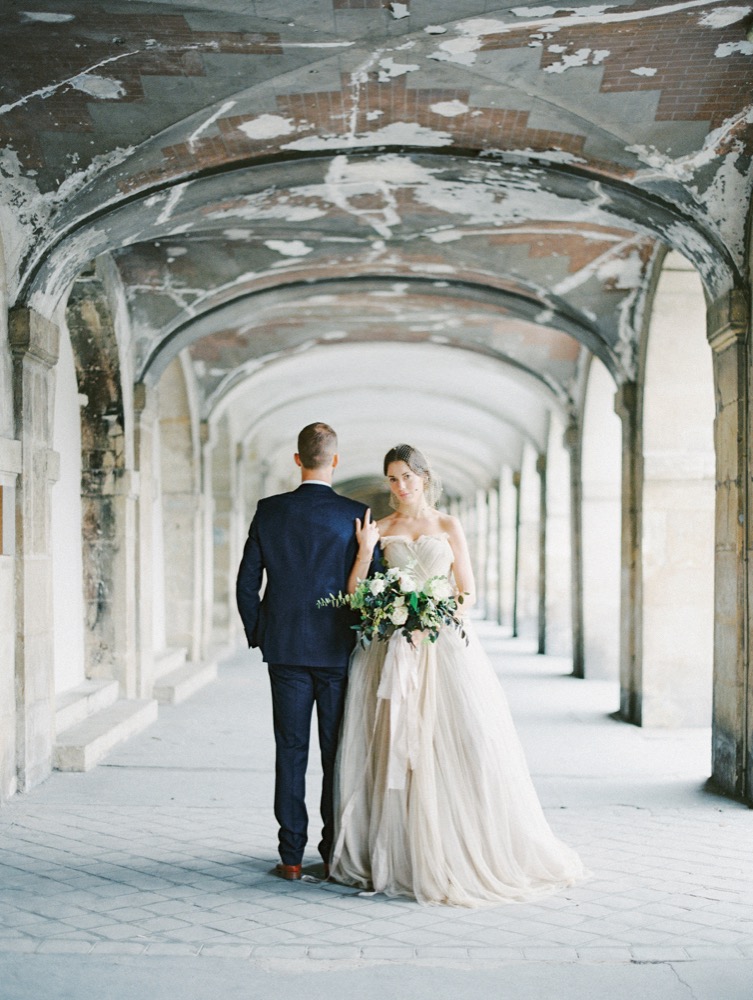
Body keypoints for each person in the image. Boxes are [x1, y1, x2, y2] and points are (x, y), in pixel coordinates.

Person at [330, 443, 588, 906]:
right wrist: (367, 553)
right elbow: (355, 594)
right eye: (392, 478)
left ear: (425, 478)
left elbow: (467, 592)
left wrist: (431, 614)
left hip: (441, 648)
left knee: (457, 742)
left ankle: (455, 846)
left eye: (407, 476)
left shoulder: (448, 525)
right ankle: (400, 851)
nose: (400, 486)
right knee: (393, 747)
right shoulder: (380, 528)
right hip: (390, 652)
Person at [236, 422, 379, 880]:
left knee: (290, 749)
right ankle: (332, 848)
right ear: (335, 461)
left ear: (297, 459)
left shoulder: (270, 511)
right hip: (337, 652)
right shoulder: (357, 514)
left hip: (285, 651)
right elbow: (369, 588)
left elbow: (245, 583)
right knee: (336, 753)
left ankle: (291, 857)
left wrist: (261, 630)